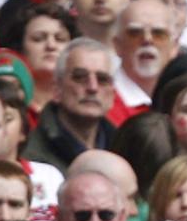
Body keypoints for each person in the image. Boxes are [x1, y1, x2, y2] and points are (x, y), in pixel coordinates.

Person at [23, 37, 117, 173]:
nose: (92, 87)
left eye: (102, 79)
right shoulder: (31, 155)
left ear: (112, 94)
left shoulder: (124, 149)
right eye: (80, 77)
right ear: (56, 89)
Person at [108, 0, 177, 127]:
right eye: (134, 33)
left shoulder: (184, 99)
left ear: (175, 46)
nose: (147, 39)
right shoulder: (102, 99)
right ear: (117, 45)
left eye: (159, 33)